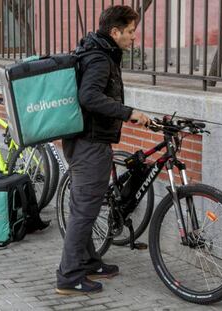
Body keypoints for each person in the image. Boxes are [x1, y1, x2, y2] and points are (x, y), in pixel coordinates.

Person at [56, 5, 151, 295]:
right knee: (85, 211)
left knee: (82, 206)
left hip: (82, 139)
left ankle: (89, 261)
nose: (134, 37)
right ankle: (69, 276)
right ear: (115, 32)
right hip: (90, 142)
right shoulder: (99, 58)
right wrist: (128, 112)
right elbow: (89, 97)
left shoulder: (95, 52)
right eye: (131, 31)